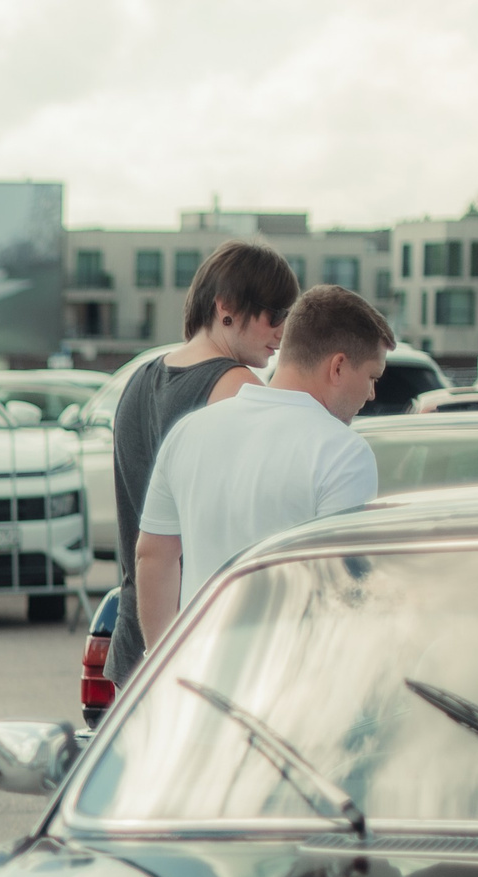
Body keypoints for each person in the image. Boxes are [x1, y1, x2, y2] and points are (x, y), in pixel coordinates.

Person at [131, 284, 392, 647]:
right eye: (372, 377)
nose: (371, 394)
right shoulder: (343, 452)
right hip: (287, 674)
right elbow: (340, 588)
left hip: (196, 672)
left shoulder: (188, 432)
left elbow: (153, 556)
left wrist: (162, 661)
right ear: (337, 367)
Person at [103, 240, 296, 687]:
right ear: (226, 306)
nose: (283, 331)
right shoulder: (239, 389)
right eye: (274, 314)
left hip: (134, 637)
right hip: (202, 640)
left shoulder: (139, 378)